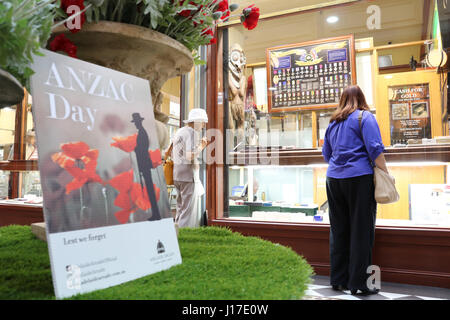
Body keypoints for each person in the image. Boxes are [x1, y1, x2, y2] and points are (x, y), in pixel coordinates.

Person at [322, 85, 390, 296]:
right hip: (359, 179)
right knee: (361, 230)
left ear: (342, 99)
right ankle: (360, 283)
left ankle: (338, 280)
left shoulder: (333, 122)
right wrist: (386, 173)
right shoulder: (365, 117)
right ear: (362, 98)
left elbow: (326, 154)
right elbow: (375, 149)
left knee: (339, 229)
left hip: (333, 179)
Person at [171, 108, 208, 228]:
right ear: (196, 121)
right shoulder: (192, 133)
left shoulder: (179, 131)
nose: (204, 125)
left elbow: (169, 151)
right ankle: (183, 239)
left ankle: (176, 237)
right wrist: (202, 146)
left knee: (180, 210)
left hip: (177, 175)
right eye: (203, 122)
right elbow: (189, 155)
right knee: (187, 213)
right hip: (188, 176)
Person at [131, 112, 161, 221]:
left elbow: (143, 149)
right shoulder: (141, 132)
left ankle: (156, 214)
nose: (136, 124)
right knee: (149, 190)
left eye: (136, 122)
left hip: (144, 165)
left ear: (139, 122)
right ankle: (155, 213)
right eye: (135, 123)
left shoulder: (142, 133)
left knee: (150, 190)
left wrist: (136, 149)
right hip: (143, 165)